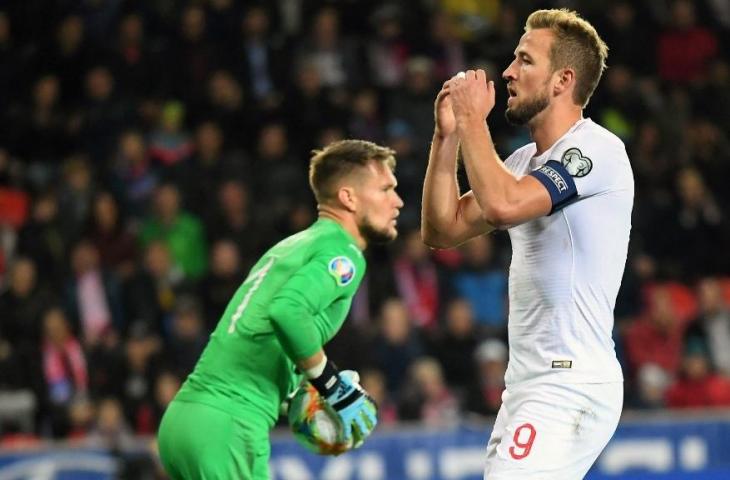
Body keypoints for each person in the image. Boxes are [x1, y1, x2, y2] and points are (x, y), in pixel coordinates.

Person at [421, 9, 633, 479]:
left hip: (569, 380)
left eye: (524, 60)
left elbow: (501, 205)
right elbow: (442, 229)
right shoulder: (521, 162)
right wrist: (448, 136)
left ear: (563, 80)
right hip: (528, 383)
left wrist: (475, 118)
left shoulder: (596, 151)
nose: (508, 72)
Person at [157, 139, 403, 479]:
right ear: (349, 198)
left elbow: (259, 332)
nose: (397, 201)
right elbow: (287, 312)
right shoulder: (343, 254)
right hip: (230, 424)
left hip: (188, 419)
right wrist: (333, 387)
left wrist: (297, 398)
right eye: (385, 189)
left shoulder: (294, 245)